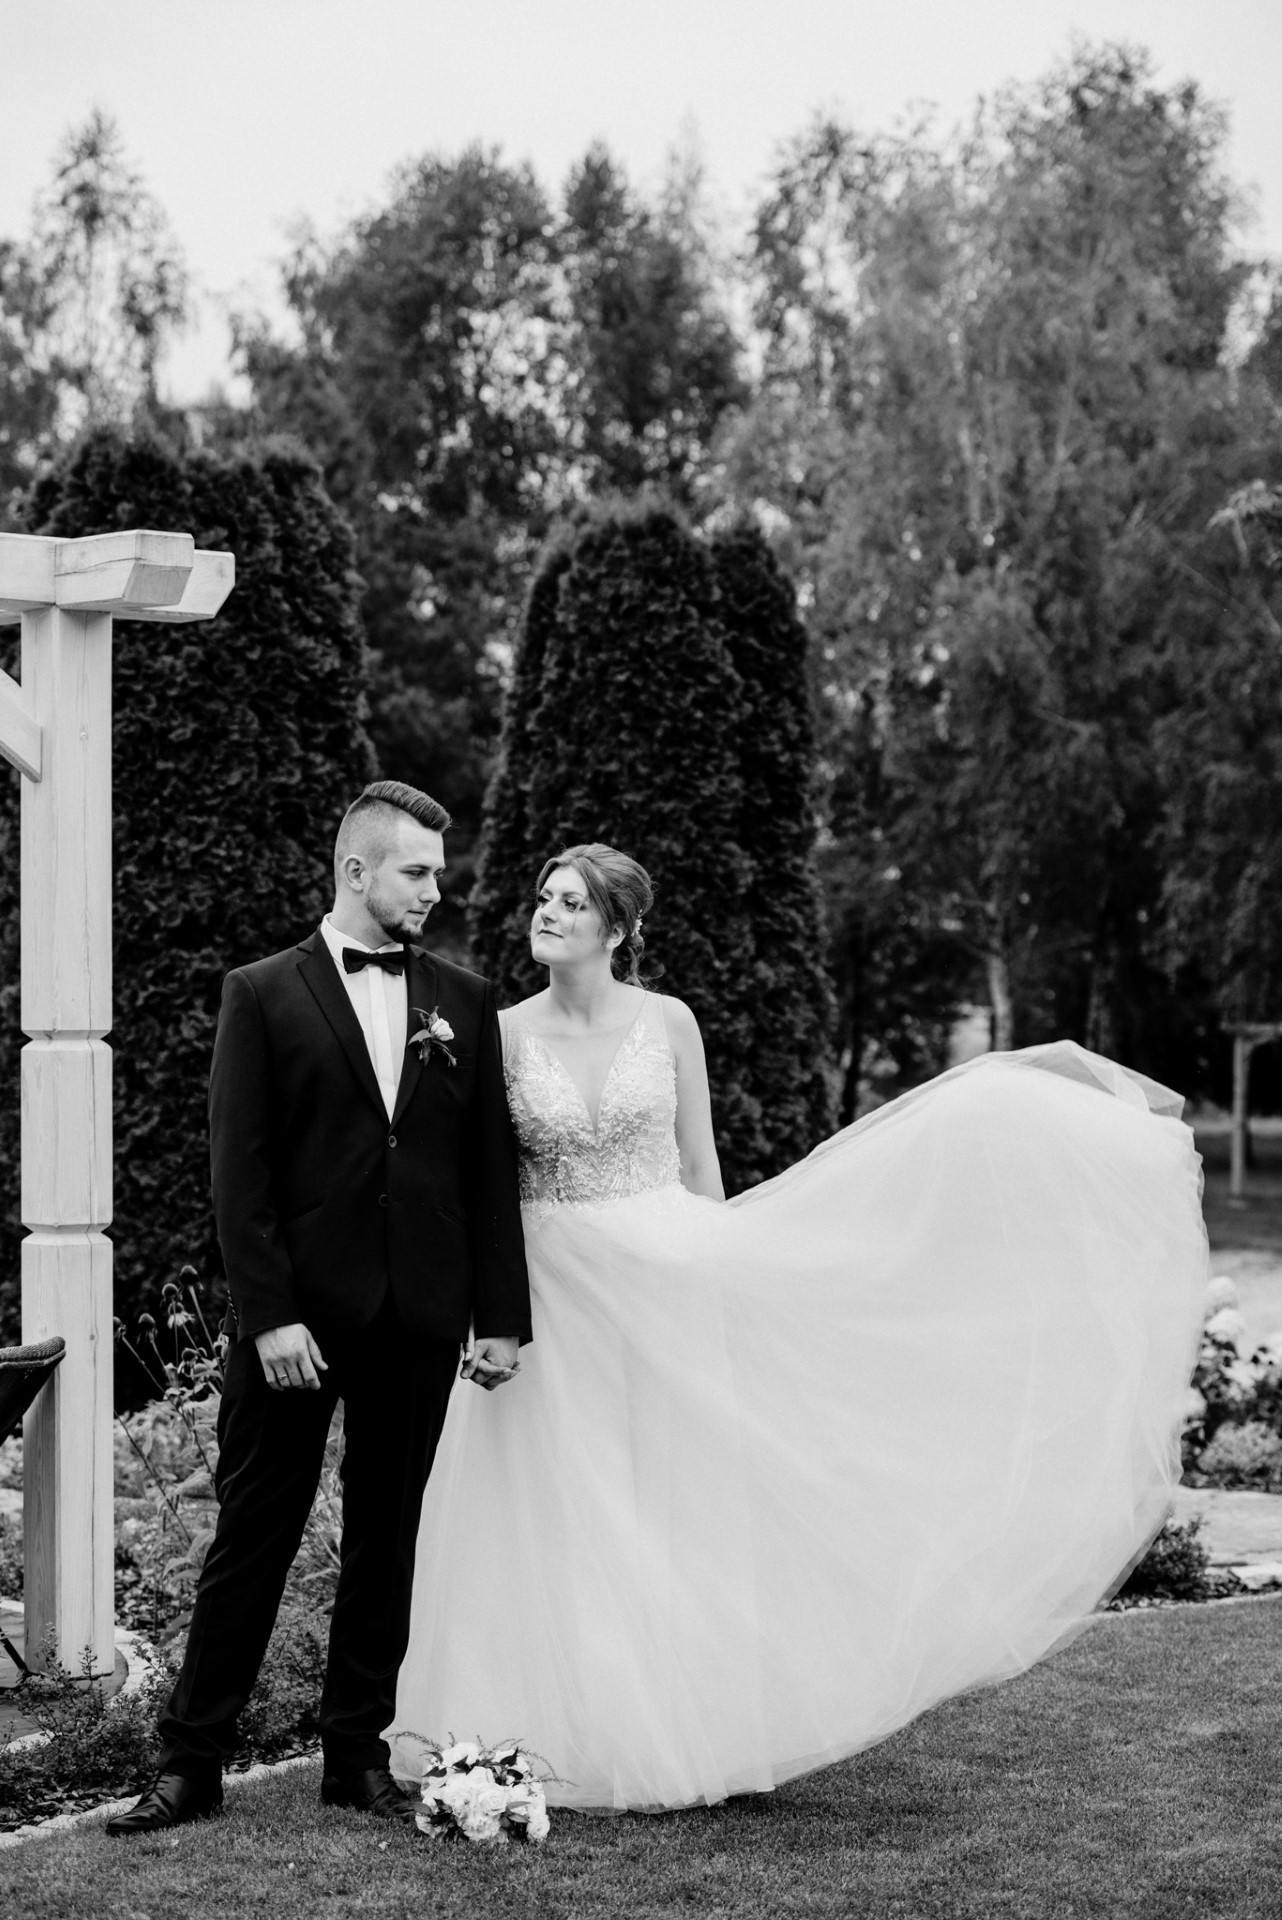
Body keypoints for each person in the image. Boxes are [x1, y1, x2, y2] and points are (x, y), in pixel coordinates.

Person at [391, 842, 1207, 1814]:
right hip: (554, 1294)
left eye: (571, 903)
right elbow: (485, 1183)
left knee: (672, 1511)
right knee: (556, 1509)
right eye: (543, 897)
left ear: (616, 929)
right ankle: (559, 1729)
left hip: (665, 1284)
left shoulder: (670, 1021)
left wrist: (724, 1279)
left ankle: (684, 1728)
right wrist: (489, 1309)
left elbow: (700, 1167)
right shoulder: (500, 1031)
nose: (546, 913)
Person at [108, 781, 531, 1836]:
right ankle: (190, 1764)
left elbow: (488, 1169)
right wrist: (269, 1316)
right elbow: (238, 1172)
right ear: (355, 870)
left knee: (387, 1543)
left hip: (419, 1314)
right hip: (297, 1321)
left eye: (438, 874)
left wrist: (498, 1314)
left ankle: (356, 1759)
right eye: (416, 872)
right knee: (254, 1535)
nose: (435, 891)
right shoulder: (260, 992)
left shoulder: (464, 999)